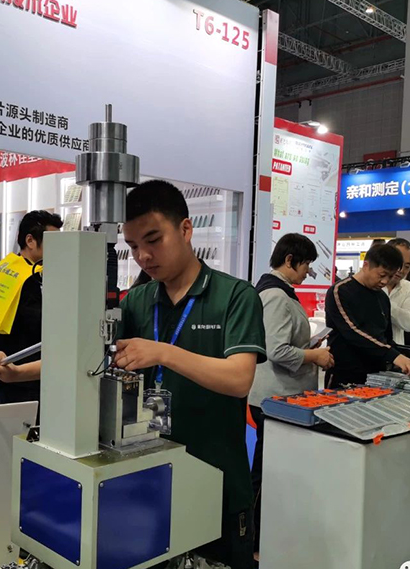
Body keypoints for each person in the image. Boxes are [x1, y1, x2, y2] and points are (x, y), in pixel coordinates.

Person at [112, 180, 267, 569]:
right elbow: (99, 359)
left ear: (185, 229)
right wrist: (17, 370)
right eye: (133, 246)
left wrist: (163, 352)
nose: (143, 256)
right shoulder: (138, 301)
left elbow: (239, 379)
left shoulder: (235, 296)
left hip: (217, 480)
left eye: (153, 240)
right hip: (148, 479)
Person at [248, 233, 333, 559]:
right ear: (289, 260)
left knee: (274, 469)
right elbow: (276, 350)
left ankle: (263, 535)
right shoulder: (275, 295)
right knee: (267, 472)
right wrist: (314, 356)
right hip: (274, 396)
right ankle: (255, 541)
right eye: (306, 265)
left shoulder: (278, 291)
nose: (307, 272)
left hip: (281, 395)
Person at [0, 210, 62, 406]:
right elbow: (40, 322)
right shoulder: (30, 278)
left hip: (4, 364)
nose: (59, 249)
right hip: (23, 372)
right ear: (30, 240)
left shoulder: (6, 267)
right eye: (54, 243)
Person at [325, 243, 410, 386]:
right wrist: (393, 355)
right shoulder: (340, 291)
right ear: (366, 265)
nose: (385, 281)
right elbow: (353, 332)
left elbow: (385, 338)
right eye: (382, 275)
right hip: (344, 374)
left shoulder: (382, 298)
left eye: (390, 276)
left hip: (376, 376)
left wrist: (406, 356)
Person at [384, 238, 410, 345]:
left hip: (397, 351)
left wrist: (384, 304)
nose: (401, 270)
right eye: (397, 263)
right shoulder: (370, 284)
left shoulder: (409, 288)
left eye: (407, 266)